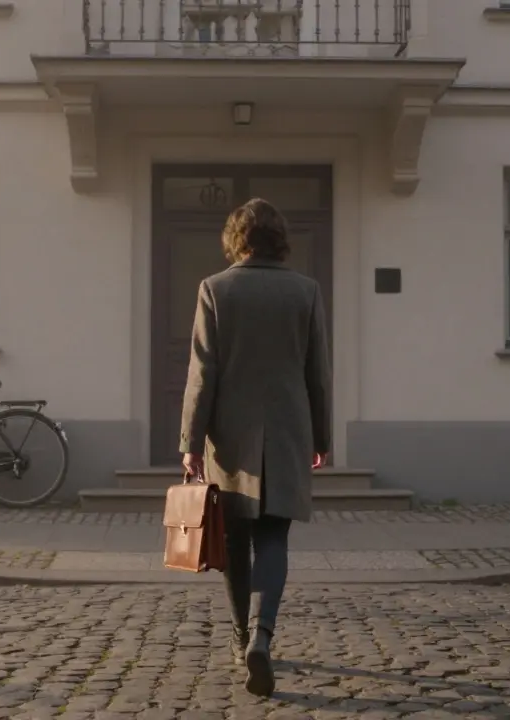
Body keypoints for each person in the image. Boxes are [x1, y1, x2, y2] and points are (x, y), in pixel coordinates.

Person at [178, 196, 333, 698]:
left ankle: (242, 634)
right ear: (279, 238)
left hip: (230, 437)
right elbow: (318, 375)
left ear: (236, 239)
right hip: (288, 431)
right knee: (273, 538)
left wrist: (190, 441)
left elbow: (203, 373)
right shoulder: (305, 291)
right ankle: (263, 637)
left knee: (234, 544)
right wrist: (322, 436)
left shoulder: (215, 289)